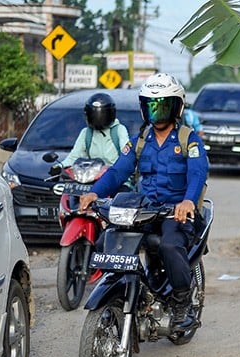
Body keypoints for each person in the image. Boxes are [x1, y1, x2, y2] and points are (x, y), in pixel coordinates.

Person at [80, 73, 209, 332]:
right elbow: (118, 172)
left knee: (171, 245)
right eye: (151, 106)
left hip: (176, 213)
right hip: (145, 210)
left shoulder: (188, 139)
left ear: (176, 107)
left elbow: (197, 173)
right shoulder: (140, 141)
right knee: (109, 239)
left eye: (163, 106)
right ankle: (127, 289)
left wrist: (187, 202)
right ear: (143, 108)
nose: (157, 112)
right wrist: (94, 192)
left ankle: (182, 303)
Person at [60, 93, 130, 169]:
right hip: (91, 175)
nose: (98, 118)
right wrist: (59, 166)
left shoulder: (119, 130)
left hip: (115, 176)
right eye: (93, 115)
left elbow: (127, 156)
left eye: (102, 115)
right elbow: (74, 156)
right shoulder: (86, 133)